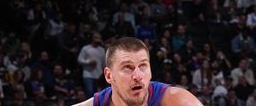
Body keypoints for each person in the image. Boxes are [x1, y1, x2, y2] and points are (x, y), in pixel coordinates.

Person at [74, 37, 202, 106]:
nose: (137, 76)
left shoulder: (179, 101)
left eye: (143, 66)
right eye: (127, 67)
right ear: (109, 75)